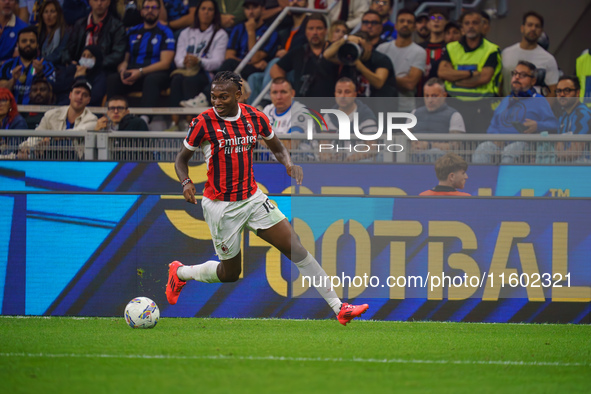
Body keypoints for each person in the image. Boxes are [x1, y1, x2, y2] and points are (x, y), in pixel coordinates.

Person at [166, 71, 369, 326]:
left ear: (238, 95)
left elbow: (277, 146)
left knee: (295, 246)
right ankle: (181, 272)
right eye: (213, 97)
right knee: (230, 274)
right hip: (221, 205)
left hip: (252, 198)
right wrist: (185, 182)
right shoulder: (203, 122)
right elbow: (181, 159)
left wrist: (288, 163)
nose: (217, 102)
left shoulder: (255, 117)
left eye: (223, 96)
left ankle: (339, 308)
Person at [472, 61, 558, 164]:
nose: (517, 77)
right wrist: (496, 138)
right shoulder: (505, 100)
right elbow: (493, 126)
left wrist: (537, 125)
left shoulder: (539, 100)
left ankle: (506, 180)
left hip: (527, 146)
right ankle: (482, 180)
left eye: (523, 75)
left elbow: (554, 124)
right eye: (515, 74)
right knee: (482, 149)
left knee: (511, 150)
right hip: (500, 145)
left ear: (533, 81)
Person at [437, 11, 502, 133]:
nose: (471, 26)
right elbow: (442, 72)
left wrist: (455, 80)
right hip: (454, 105)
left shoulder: (491, 50)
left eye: (475, 23)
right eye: (467, 23)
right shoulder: (451, 48)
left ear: (482, 26)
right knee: (454, 147)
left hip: (482, 107)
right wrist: (471, 74)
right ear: (462, 28)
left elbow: (484, 78)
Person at [107, 0, 175, 107]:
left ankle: (145, 118)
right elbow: (124, 59)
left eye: (153, 8)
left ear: (159, 11)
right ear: (141, 11)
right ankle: (111, 114)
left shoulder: (166, 32)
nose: (150, 11)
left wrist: (141, 71)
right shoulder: (132, 31)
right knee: (113, 79)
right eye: (147, 8)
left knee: (151, 80)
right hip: (134, 71)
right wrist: (122, 70)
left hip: (155, 72)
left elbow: (165, 63)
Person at [169, 0, 228, 110]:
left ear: (215, 14)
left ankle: (190, 120)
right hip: (187, 69)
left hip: (205, 73)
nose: (206, 12)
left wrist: (199, 61)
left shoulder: (221, 34)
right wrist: (185, 62)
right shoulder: (185, 32)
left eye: (210, 10)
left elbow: (218, 62)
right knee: (176, 79)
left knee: (190, 80)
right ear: (197, 12)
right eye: (203, 9)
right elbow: (178, 59)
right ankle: (175, 122)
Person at [18, 79, 97, 159]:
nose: (80, 97)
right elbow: (37, 135)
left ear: (88, 100)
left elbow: (78, 132)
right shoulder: (51, 114)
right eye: (77, 92)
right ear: (70, 95)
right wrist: (26, 146)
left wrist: (51, 138)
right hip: (49, 159)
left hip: (76, 162)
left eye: (85, 95)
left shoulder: (92, 119)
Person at [270, 14, 337, 97]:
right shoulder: (298, 51)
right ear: (305, 31)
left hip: (330, 103)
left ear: (326, 31)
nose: (315, 32)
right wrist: (287, 88)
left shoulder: (334, 51)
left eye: (319, 28)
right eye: (311, 29)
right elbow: (275, 69)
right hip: (303, 104)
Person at [325, 31, 397, 103]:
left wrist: (358, 65)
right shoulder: (350, 57)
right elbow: (327, 55)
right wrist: (345, 39)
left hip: (380, 106)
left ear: (369, 46)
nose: (359, 49)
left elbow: (378, 83)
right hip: (358, 107)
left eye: (360, 45)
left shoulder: (381, 59)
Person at [376, 8, 425, 111]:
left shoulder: (419, 52)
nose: (405, 24)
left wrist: (384, 78)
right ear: (396, 25)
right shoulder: (382, 48)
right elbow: (374, 78)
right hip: (381, 105)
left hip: (405, 108)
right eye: (402, 21)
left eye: (409, 22)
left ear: (414, 27)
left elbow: (410, 84)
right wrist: (400, 79)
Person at [501, 11, 559, 97]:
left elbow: (552, 90)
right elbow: (500, 83)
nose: (533, 29)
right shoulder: (506, 53)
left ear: (541, 31)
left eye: (537, 26)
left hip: (535, 108)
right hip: (508, 106)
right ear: (522, 28)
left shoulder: (548, 59)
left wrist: (543, 109)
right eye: (530, 25)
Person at [218, 0, 278, 80]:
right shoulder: (238, 28)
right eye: (248, 8)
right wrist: (250, 64)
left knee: (229, 66)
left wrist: (251, 32)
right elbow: (229, 56)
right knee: (229, 64)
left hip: (256, 71)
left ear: (263, 9)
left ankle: (210, 91)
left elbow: (255, 58)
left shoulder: (270, 32)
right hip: (245, 65)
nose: (251, 11)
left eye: (254, 7)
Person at [323, 77, 379, 162]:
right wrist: (328, 157)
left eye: (347, 92)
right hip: (334, 164)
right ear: (335, 94)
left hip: (360, 164)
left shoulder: (365, 116)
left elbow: (371, 148)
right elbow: (323, 146)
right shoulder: (328, 117)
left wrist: (351, 159)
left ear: (354, 95)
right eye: (339, 92)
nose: (342, 96)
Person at [63, 0, 127, 74]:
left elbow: (118, 55)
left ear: (109, 2)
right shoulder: (80, 24)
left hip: (103, 71)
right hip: (78, 68)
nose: (99, 3)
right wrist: (70, 62)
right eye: (95, 0)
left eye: (103, 0)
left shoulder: (117, 26)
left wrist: (95, 63)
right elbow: (67, 50)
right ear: (89, 2)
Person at [411, 78, 465, 162]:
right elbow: (403, 140)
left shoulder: (454, 116)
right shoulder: (414, 113)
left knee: (434, 152)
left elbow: (455, 147)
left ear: (444, 95)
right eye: (426, 96)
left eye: (434, 96)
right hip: (413, 157)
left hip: (441, 162)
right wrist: (413, 145)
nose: (430, 100)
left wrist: (429, 145)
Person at [0, 27, 56, 105]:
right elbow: (1, 91)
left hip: (37, 112)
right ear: (17, 44)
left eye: (32, 41)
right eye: (24, 41)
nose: (28, 44)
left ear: (37, 45)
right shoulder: (8, 65)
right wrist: (13, 80)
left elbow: (52, 92)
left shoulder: (46, 66)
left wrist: (40, 73)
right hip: (11, 111)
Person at [555, 76, 591, 163]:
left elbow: (575, 151)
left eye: (567, 90)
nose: (562, 94)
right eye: (559, 91)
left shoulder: (583, 114)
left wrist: (561, 153)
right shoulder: (562, 116)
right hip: (568, 166)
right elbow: (558, 147)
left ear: (577, 93)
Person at [37, 0, 69, 67]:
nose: (49, 15)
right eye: (46, 12)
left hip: (57, 68)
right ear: (42, 15)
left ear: (58, 14)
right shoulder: (38, 33)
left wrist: (41, 62)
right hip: (38, 66)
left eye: (52, 11)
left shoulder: (65, 33)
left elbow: (59, 54)